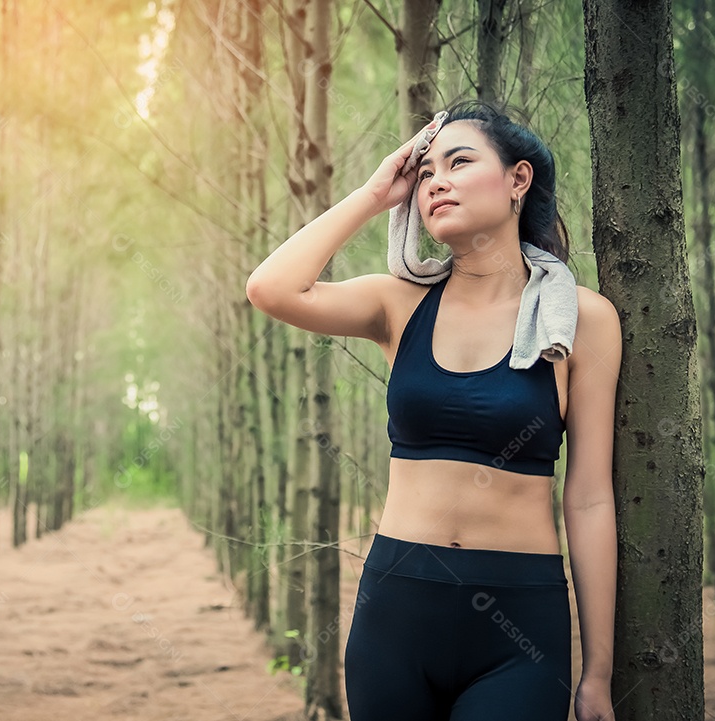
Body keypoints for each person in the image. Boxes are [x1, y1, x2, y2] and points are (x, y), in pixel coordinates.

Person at [245, 101, 620, 721]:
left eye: (460, 161)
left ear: (517, 181)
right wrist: (372, 194)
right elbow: (271, 288)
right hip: (396, 612)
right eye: (424, 174)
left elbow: (588, 497)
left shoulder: (580, 320)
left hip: (520, 622)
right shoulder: (399, 303)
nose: (436, 181)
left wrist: (599, 672)